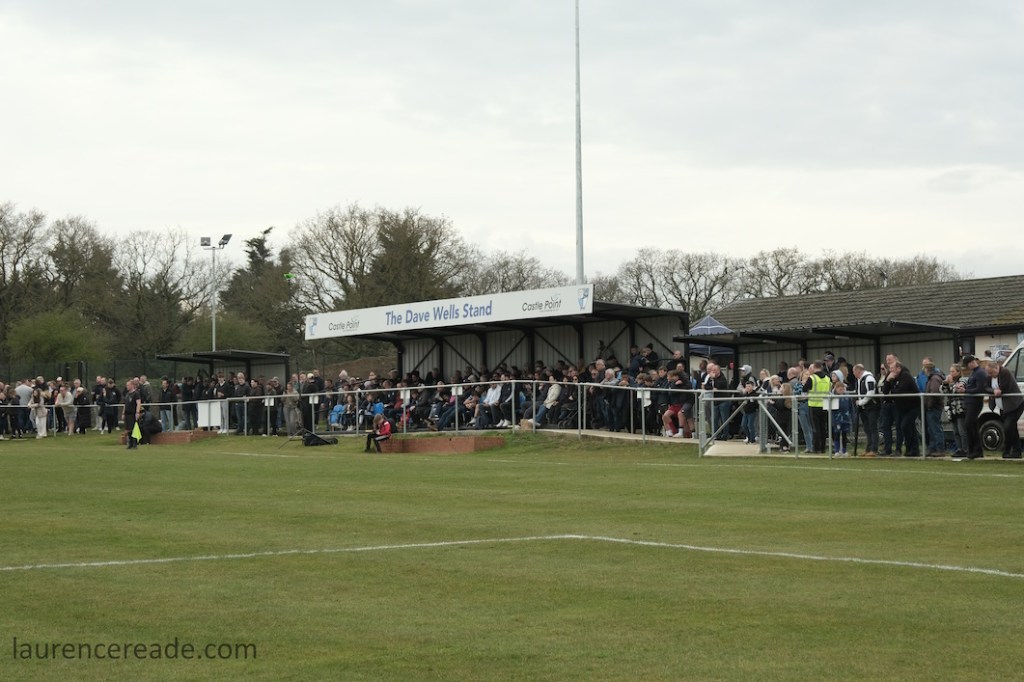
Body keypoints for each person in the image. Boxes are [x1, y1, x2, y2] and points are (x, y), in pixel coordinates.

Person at [987, 360, 1023, 459]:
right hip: (1003, 408)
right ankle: (1016, 451)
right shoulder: (990, 376)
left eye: (992, 372)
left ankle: (1007, 450)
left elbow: (1005, 387)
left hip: (1015, 405)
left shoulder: (1005, 372)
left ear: (996, 368)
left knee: (1008, 427)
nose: (990, 375)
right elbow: (985, 387)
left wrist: (998, 391)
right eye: (989, 373)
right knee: (1012, 428)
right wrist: (993, 391)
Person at [957, 354, 988, 460]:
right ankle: (976, 450)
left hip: (975, 403)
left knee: (968, 425)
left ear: (971, 363)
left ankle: (974, 449)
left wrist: (965, 390)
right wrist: (964, 387)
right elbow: (973, 386)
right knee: (973, 426)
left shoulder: (979, 373)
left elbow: (979, 389)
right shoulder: (975, 373)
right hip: (970, 402)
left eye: (967, 365)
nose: (967, 367)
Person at [852, 364, 879, 456]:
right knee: (867, 429)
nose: (853, 374)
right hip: (863, 409)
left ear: (858, 371)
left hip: (871, 407)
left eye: (854, 372)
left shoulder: (869, 378)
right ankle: (868, 449)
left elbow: (871, 392)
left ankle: (874, 449)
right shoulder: (859, 380)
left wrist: (862, 402)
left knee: (873, 428)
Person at [942, 364, 967, 457]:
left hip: (960, 408)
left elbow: (956, 390)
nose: (951, 373)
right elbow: (943, 391)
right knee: (955, 431)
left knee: (962, 431)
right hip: (952, 409)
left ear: (958, 372)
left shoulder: (963, 380)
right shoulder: (949, 381)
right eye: (950, 371)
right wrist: (945, 383)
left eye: (953, 371)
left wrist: (951, 383)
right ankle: (959, 449)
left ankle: (965, 449)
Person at [123, 379, 142, 450]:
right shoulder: (127, 394)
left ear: (132, 385)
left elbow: (138, 403)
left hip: (132, 413)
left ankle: (134, 444)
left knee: (133, 428)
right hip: (127, 414)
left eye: (128, 385)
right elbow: (125, 404)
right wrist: (123, 413)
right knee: (128, 429)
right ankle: (130, 443)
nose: (127, 386)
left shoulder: (136, 394)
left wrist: (137, 412)